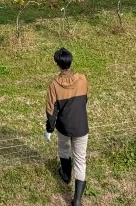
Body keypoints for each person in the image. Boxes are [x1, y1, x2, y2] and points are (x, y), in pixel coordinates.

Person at [45, 48, 89, 206]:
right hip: (81, 126)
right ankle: (77, 200)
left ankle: (65, 174)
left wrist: (49, 129)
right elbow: (85, 99)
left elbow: (51, 110)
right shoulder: (83, 79)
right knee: (80, 160)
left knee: (63, 148)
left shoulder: (54, 85)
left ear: (57, 64)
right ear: (71, 62)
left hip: (64, 126)